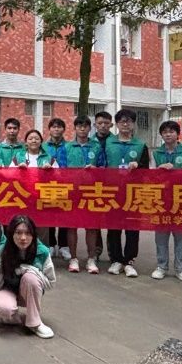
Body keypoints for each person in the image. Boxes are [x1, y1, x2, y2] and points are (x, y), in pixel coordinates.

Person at [0, 215, 56, 339]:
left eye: (27, 233)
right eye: (18, 233)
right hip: (8, 289)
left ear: (33, 235)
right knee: (3, 309)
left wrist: (29, 269)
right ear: (11, 234)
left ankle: (35, 323)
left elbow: (51, 283)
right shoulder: (4, 251)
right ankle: (12, 316)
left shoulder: (42, 252)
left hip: (30, 292)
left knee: (30, 278)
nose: (23, 238)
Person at [149, 120, 182, 282]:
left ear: (178, 134)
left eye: (171, 131)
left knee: (181, 236)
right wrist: (160, 171)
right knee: (161, 237)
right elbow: (151, 176)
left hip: (181, 199)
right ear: (161, 135)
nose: (168, 134)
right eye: (165, 132)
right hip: (161, 200)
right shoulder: (155, 153)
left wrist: (172, 171)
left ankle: (181, 269)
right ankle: (161, 266)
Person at [105, 109, 149, 277]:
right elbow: (102, 164)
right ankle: (116, 260)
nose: (125, 124)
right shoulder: (108, 143)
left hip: (133, 192)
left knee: (132, 227)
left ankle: (129, 261)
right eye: (122, 121)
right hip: (113, 192)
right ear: (116, 124)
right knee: (113, 227)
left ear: (133, 124)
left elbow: (147, 170)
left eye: (129, 121)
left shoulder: (141, 145)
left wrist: (138, 166)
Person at [65, 116, 101, 274]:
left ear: (90, 128)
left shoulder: (96, 147)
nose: (82, 128)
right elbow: (61, 168)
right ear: (75, 128)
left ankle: (91, 259)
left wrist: (96, 170)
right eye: (79, 126)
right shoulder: (67, 147)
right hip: (72, 192)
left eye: (85, 126)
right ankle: (73, 258)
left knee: (91, 226)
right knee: (72, 226)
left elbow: (104, 167)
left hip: (92, 191)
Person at [43, 118, 71, 261]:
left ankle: (63, 245)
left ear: (63, 130)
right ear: (49, 129)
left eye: (59, 127)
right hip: (47, 185)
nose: (56, 129)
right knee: (49, 214)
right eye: (53, 127)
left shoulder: (69, 146)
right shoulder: (43, 146)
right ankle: (51, 244)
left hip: (66, 184)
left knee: (64, 215)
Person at [92, 110, 114, 258]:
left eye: (106, 123)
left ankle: (113, 252)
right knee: (95, 220)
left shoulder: (116, 141)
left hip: (112, 185)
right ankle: (96, 250)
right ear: (95, 125)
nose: (103, 126)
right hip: (93, 186)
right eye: (100, 123)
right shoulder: (89, 142)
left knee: (112, 219)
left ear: (111, 124)